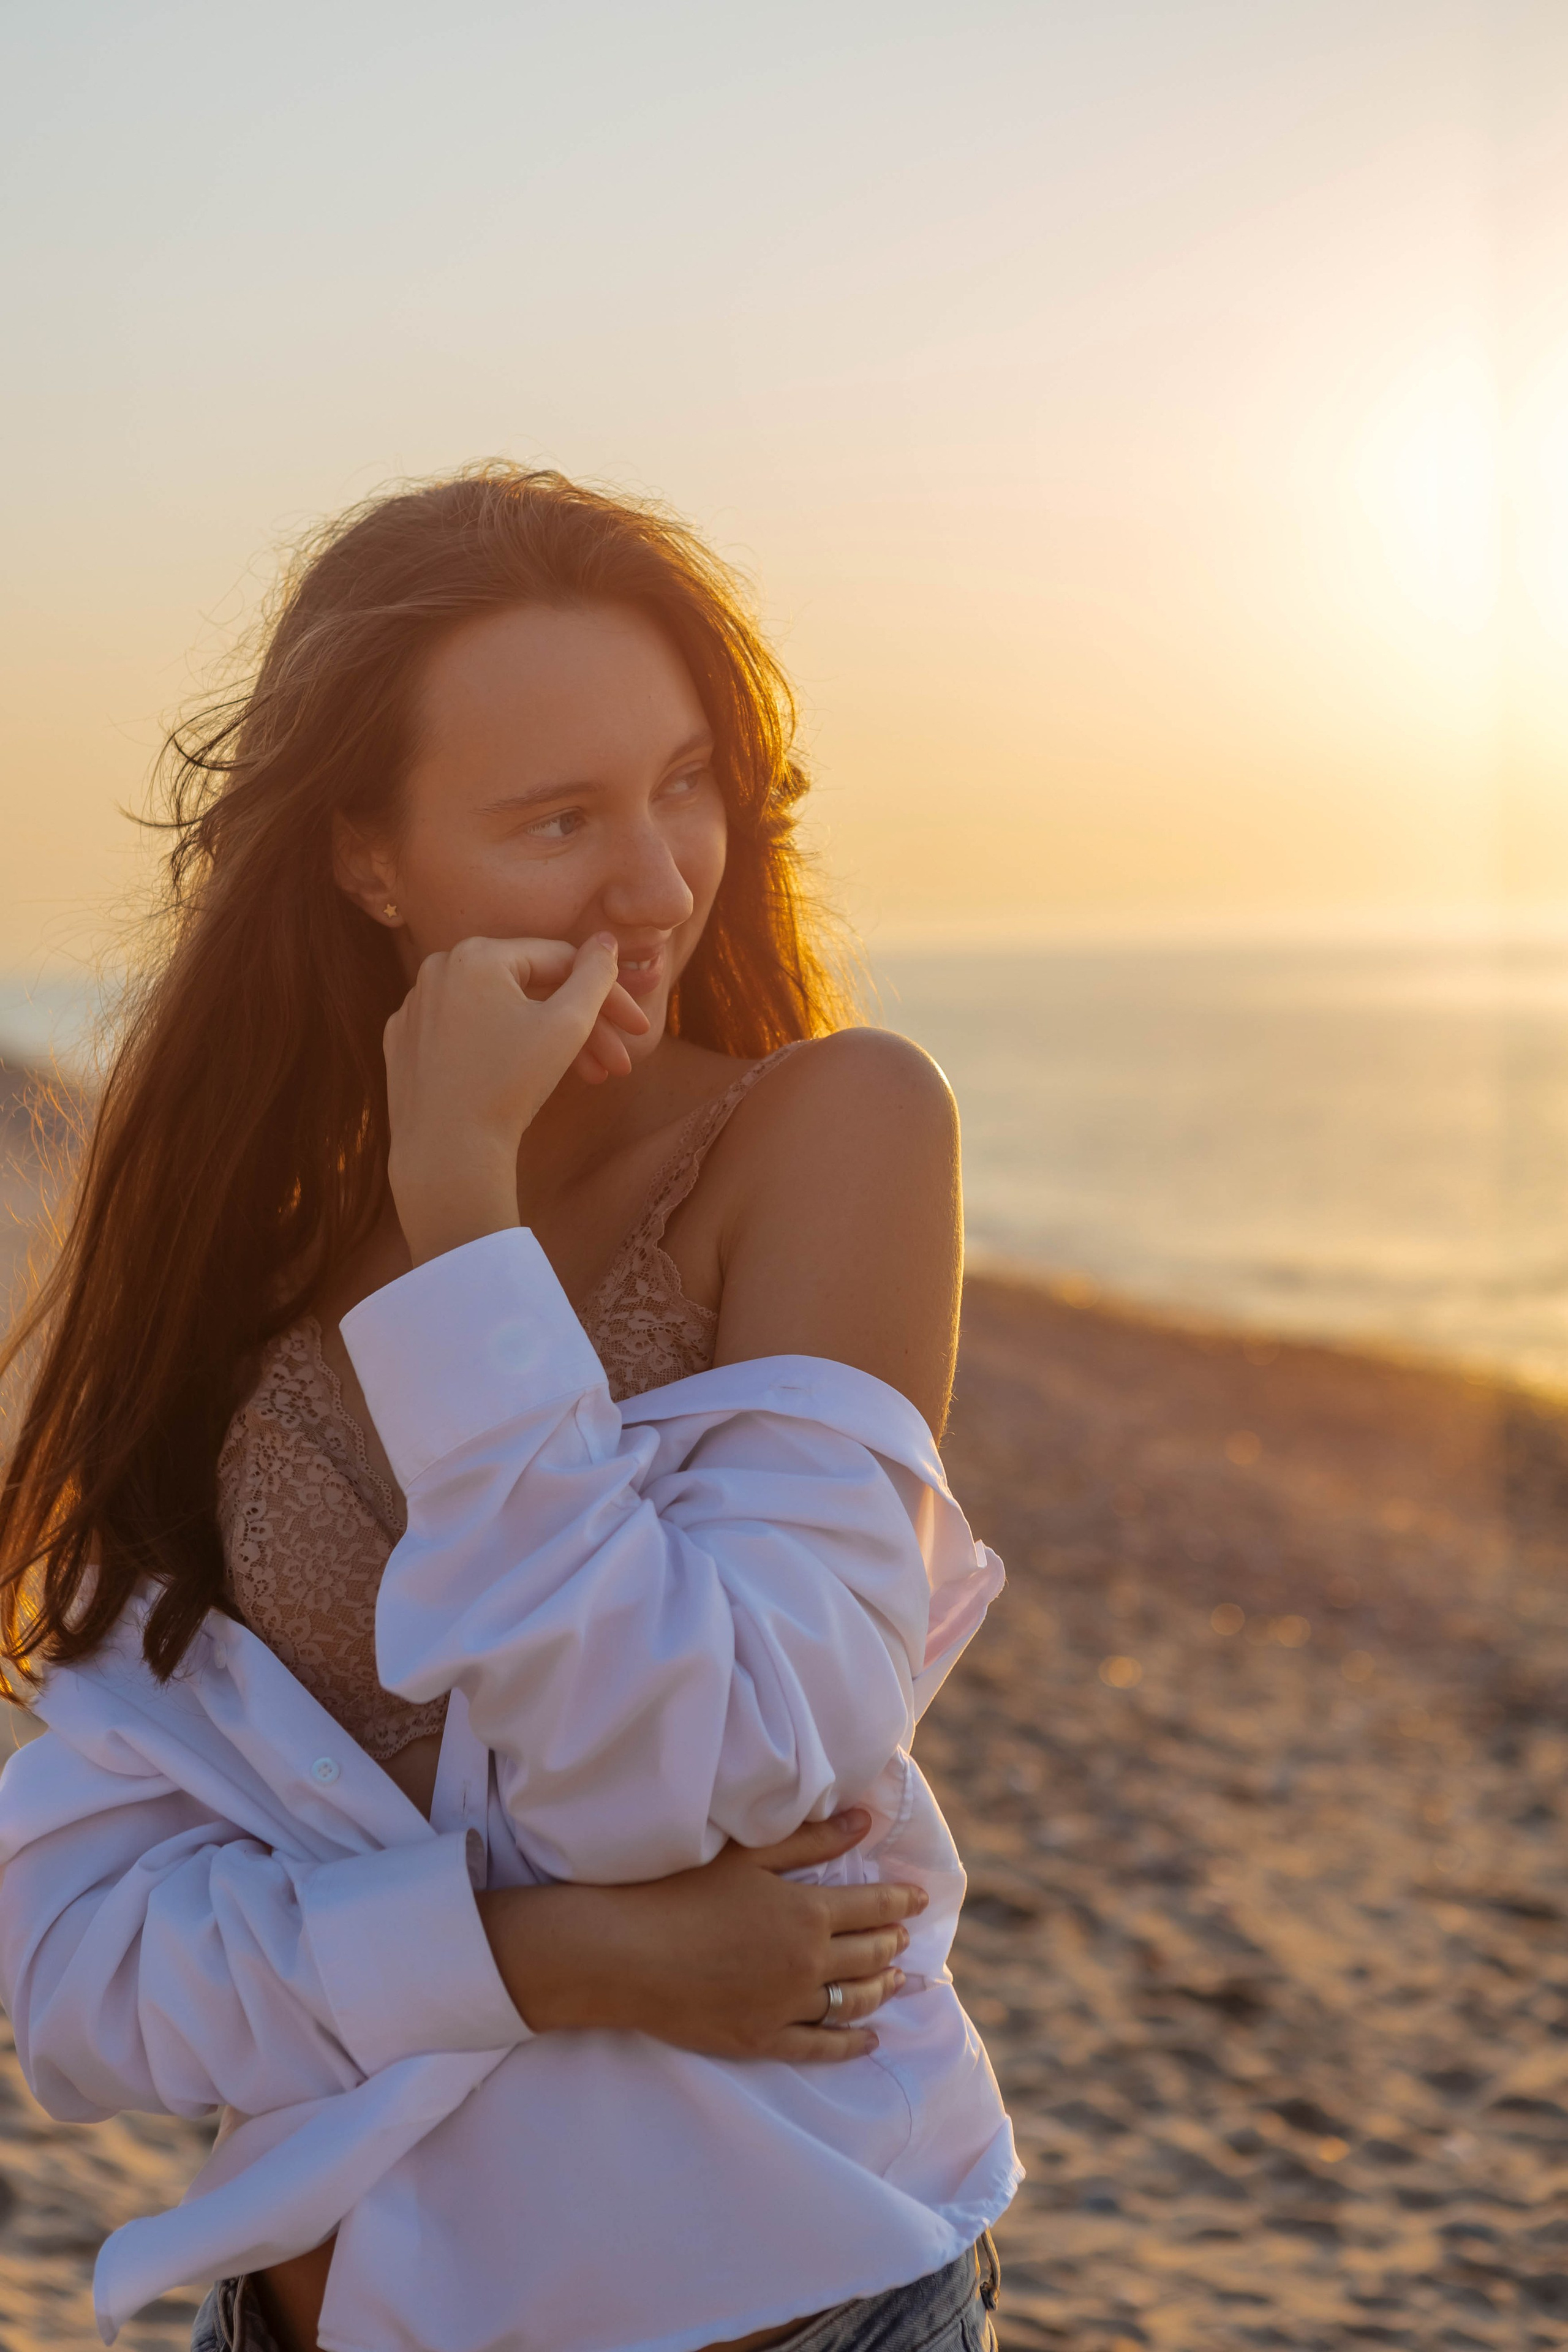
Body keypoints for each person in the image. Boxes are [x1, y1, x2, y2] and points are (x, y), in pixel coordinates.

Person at [0, 467, 1017, 2352]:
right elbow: (81, 1975)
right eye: (561, 819)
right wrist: (556, 1958)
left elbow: (706, 1773)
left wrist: (464, 1218)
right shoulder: (236, 1273)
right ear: (369, 861)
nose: (659, 884)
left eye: (687, 784)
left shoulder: (834, 1131)